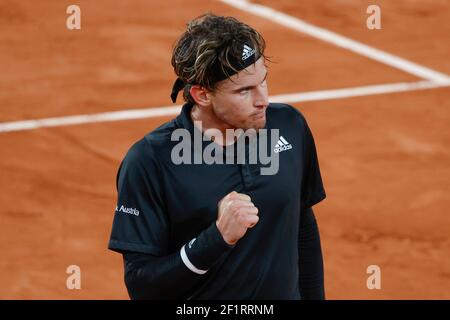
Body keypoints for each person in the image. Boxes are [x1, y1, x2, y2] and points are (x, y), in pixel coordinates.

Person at [108, 13, 326, 300]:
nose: (263, 100)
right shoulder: (150, 161)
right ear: (202, 95)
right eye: (244, 91)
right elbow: (142, 285)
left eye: (263, 81)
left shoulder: (290, 126)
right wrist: (216, 239)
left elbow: (302, 227)